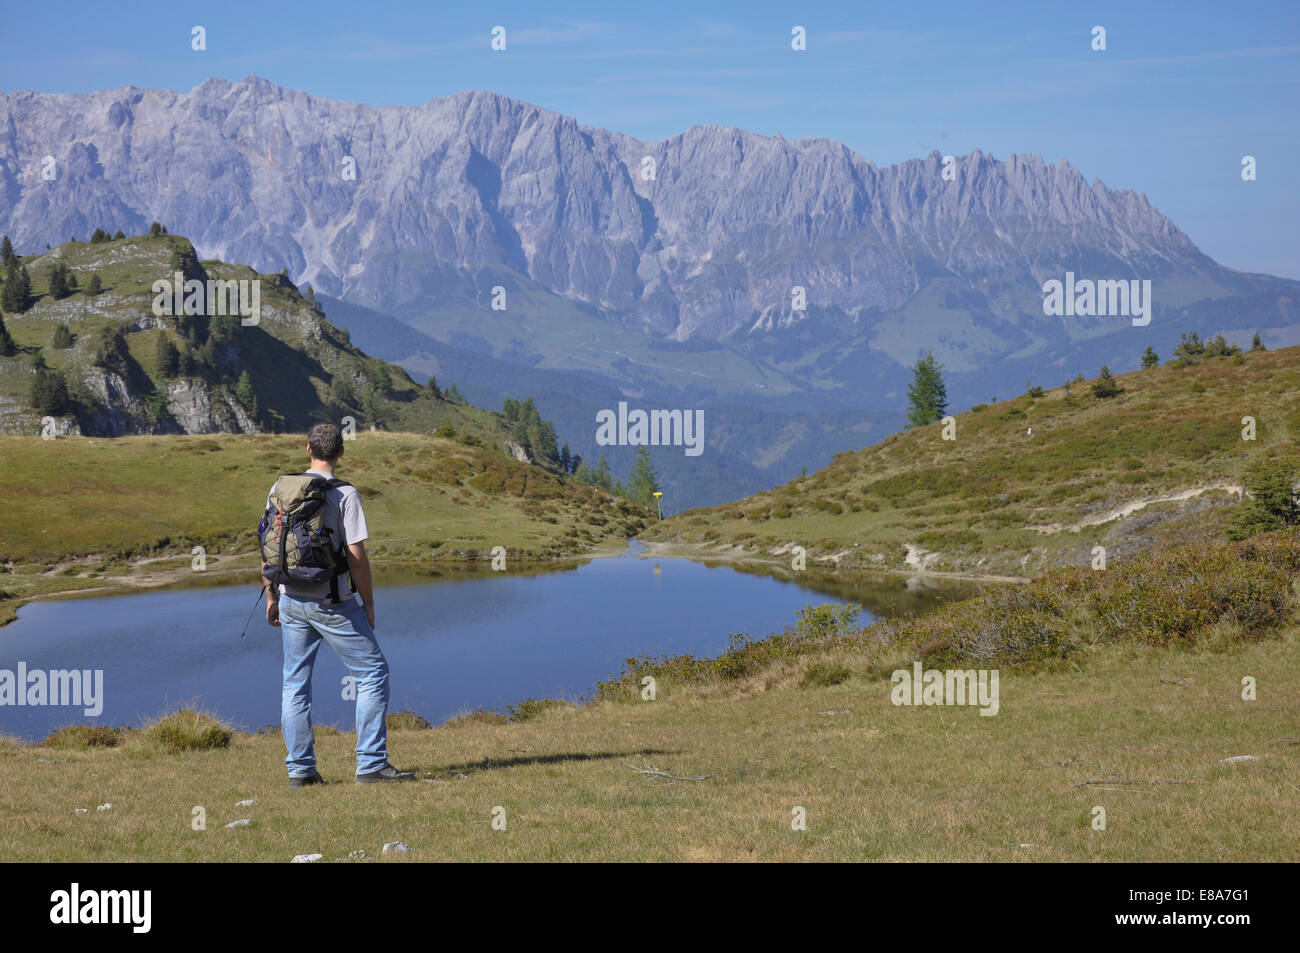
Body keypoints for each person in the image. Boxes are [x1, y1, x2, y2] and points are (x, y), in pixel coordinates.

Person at [262, 422, 413, 787]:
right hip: (333, 602)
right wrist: (369, 603)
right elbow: (356, 555)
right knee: (373, 673)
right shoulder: (346, 494)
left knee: (295, 684)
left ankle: (300, 771)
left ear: (307, 449)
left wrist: (271, 595)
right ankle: (371, 765)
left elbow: (269, 545)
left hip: (290, 598)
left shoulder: (280, 488)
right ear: (341, 452)